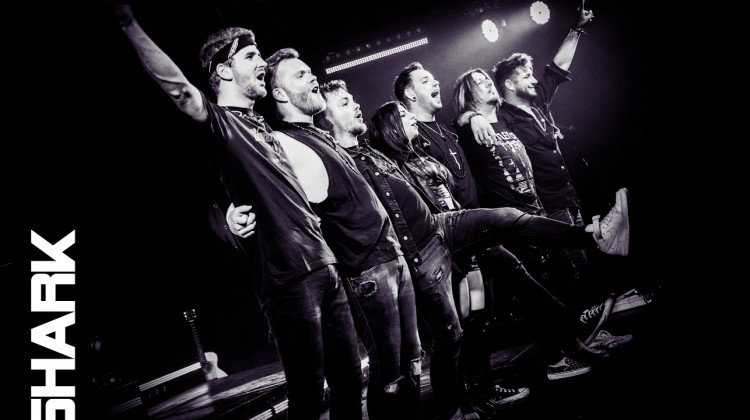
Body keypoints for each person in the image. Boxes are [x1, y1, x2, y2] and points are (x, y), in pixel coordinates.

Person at [302, 81, 626, 418]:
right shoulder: (338, 161)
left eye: (352, 98)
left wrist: (470, 117)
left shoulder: (372, 151)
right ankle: (457, 407)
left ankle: (594, 236)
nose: (355, 104)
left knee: (507, 221)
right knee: (452, 335)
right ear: (325, 119)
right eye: (344, 103)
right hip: (421, 253)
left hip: (444, 226)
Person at [108, 4, 364, 419]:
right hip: (288, 279)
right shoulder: (223, 124)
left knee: (350, 384)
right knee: (308, 398)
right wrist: (129, 24)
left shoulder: (265, 126)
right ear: (224, 71)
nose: (262, 63)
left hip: (325, 265)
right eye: (250, 55)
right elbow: (180, 91)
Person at [262, 48, 422, 420]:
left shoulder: (320, 135)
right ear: (280, 93)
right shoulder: (282, 141)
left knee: (412, 365)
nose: (311, 77)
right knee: (389, 375)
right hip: (364, 269)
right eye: (299, 75)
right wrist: (232, 215)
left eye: (309, 70)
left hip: (391, 255)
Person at [456, 0, 628, 340]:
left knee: (582, 266)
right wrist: (470, 115)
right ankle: (584, 338)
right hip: (545, 203)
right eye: (525, 76)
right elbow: (464, 119)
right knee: (572, 271)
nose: (533, 80)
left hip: (568, 195)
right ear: (508, 85)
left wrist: (577, 28)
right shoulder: (502, 116)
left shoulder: (537, 104)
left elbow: (557, 68)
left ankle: (594, 333)